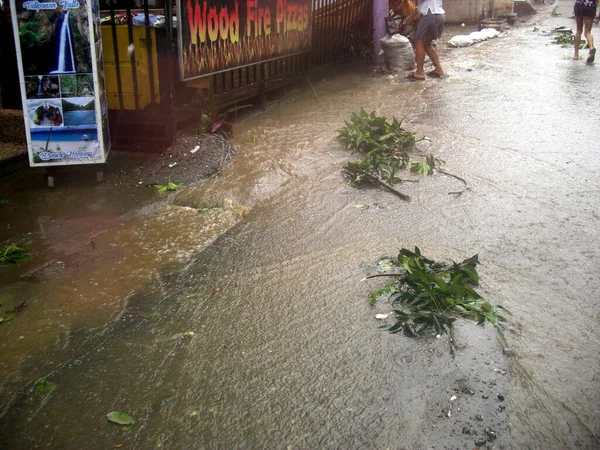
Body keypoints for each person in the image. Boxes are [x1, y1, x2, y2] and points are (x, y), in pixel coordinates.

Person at [402, 0, 445, 80]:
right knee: (427, 44)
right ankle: (438, 69)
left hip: (429, 15)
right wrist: (411, 15)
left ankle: (419, 72)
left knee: (419, 42)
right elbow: (423, 5)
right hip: (438, 14)